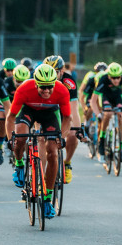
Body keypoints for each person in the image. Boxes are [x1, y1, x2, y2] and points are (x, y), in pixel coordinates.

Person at [7, 64, 72, 218]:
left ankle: (48, 198)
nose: (46, 90)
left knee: (53, 153)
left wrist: (61, 138)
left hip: (50, 114)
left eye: (50, 86)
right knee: (20, 137)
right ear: (35, 83)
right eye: (42, 87)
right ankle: (19, 165)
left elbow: (68, 118)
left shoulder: (62, 90)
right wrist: (11, 139)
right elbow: (10, 117)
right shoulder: (23, 89)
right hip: (28, 110)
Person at [43, 55, 82, 184]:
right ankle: (41, 173)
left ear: (62, 72)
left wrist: (78, 128)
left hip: (64, 110)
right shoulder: (41, 79)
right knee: (41, 139)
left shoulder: (69, 82)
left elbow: (74, 109)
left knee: (72, 135)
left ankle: (67, 163)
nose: (51, 75)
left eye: (55, 72)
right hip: (46, 111)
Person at [92, 62, 122, 165]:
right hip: (105, 97)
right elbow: (93, 100)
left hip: (117, 96)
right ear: (108, 76)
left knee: (121, 115)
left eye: (118, 78)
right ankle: (102, 141)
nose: (116, 80)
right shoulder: (103, 79)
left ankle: (120, 148)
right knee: (107, 114)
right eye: (113, 78)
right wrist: (98, 114)